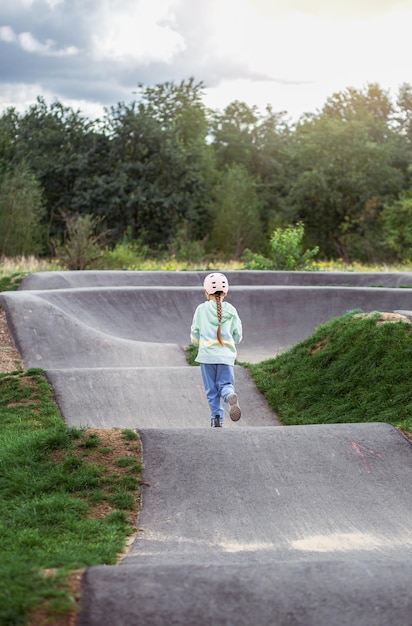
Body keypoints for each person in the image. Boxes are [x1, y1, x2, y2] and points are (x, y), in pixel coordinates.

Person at [190, 272, 242, 427]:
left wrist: (197, 342)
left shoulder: (201, 309)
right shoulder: (231, 310)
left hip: (207, 357)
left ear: (206, 292)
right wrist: (233, 341)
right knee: (225, 385)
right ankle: (229, 395)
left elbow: (194, 333)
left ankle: (217, 419)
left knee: (211, 391)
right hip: (225, 357)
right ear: (225, 292)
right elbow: (238, 335)